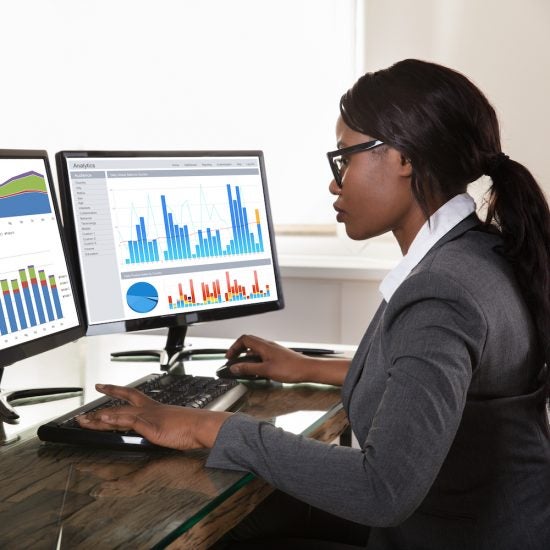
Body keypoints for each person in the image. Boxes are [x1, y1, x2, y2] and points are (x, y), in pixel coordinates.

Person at [77, 59, 550, 549]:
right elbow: (432, 384)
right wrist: (303, 365)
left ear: (403, 156)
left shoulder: (441, 290)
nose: (334, 181)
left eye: (345, 158)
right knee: (259, 516)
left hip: (446, 535)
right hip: (488, 526)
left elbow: (381, 489)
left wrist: (207, 426)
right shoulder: (482, 252)